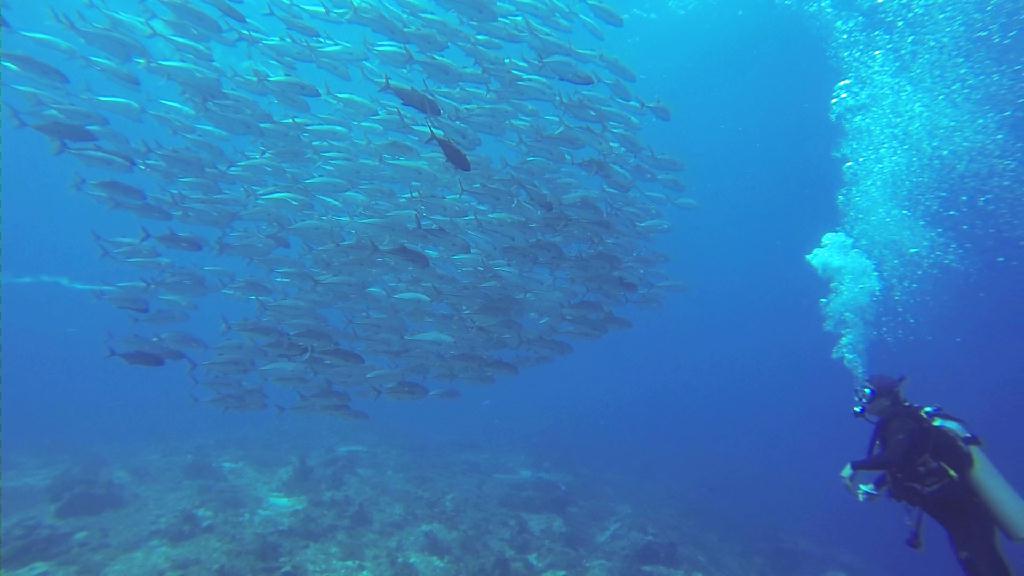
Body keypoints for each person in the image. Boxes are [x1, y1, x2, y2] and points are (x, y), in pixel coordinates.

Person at [839, 374, 1015, 576]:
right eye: (861, 394)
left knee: (978, 555)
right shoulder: (899, 421)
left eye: (868, 394)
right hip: (948, 503)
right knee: (971, 554)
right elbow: (909, 461)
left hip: (957, 501)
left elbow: (895, 457)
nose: (863, 400)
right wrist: (876, 486)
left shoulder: (900, 421)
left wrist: (854, 466)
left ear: (886, 398)